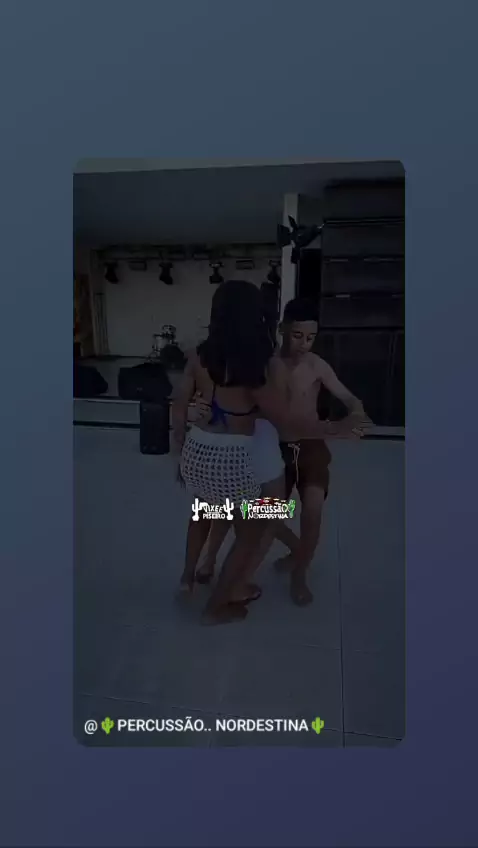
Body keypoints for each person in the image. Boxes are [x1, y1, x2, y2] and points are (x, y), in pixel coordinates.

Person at [170, 280, 365, 625]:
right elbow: (286, 423)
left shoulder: (199, 355)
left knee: (208, 511)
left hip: (198, 451)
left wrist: (179, 449)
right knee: (253, 527)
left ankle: (195, 573)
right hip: (235, 457)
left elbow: (179, 406)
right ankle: (218, 605)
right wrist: (335, 429)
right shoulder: (258, 365)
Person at [268, 297, 371, 605]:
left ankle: (300, 572)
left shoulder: (316, 365)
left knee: (313, 511)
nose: (304, 344)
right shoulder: (270, 365)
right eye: (297, 335)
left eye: (311, 337)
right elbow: (280, 417)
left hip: (311, 446)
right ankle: (299, 550)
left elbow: (350, 398)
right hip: (276, 448)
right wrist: (336, 428)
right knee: (265, 515)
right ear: (282, 329)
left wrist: (356, 414)